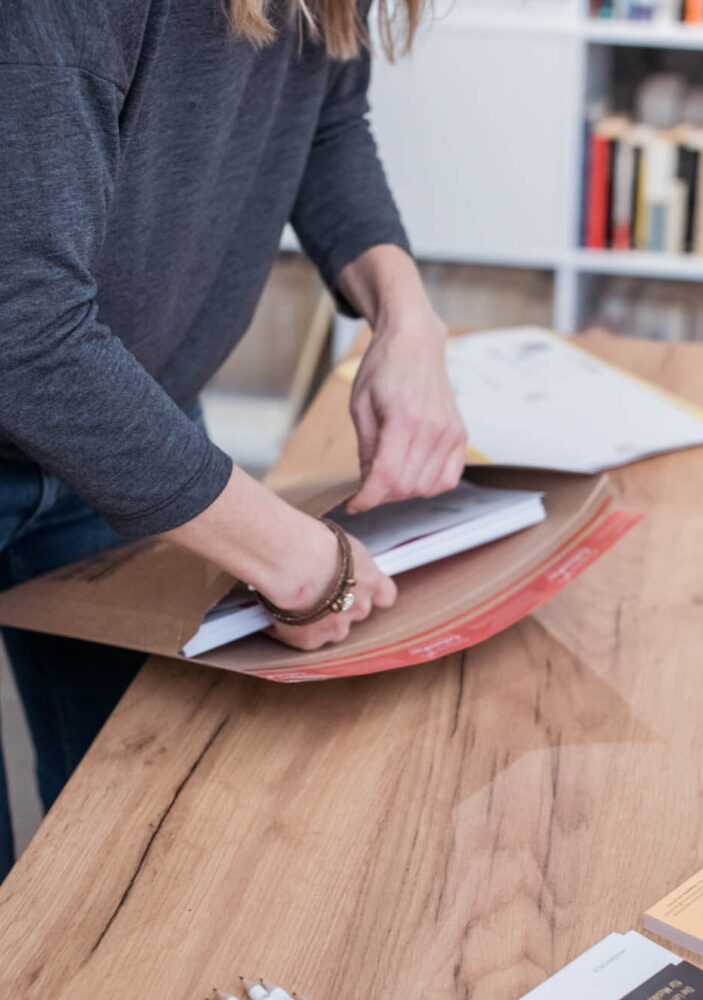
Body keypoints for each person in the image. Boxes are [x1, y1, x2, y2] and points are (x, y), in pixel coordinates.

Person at [0, 0, 466, 879]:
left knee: (137, 844)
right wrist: (293, 556)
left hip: (124, 424)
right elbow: (19, 324)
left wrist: (407, 320)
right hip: (64, 387)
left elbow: (321, 119)